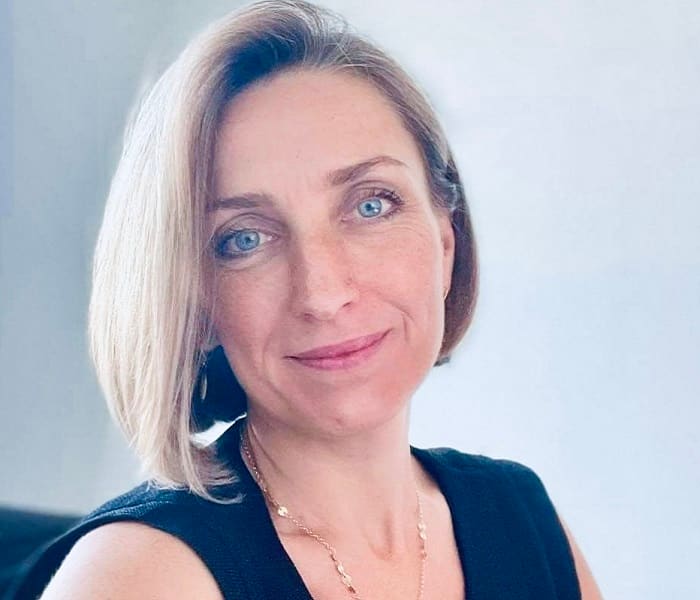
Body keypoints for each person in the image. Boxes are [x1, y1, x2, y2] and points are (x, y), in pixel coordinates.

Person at [8, 1, 602, 598]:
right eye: (244, 239)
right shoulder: (140, 576)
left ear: (445, 242)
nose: (323, 294)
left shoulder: (525, 522)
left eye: (370, 205)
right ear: (194, 305)